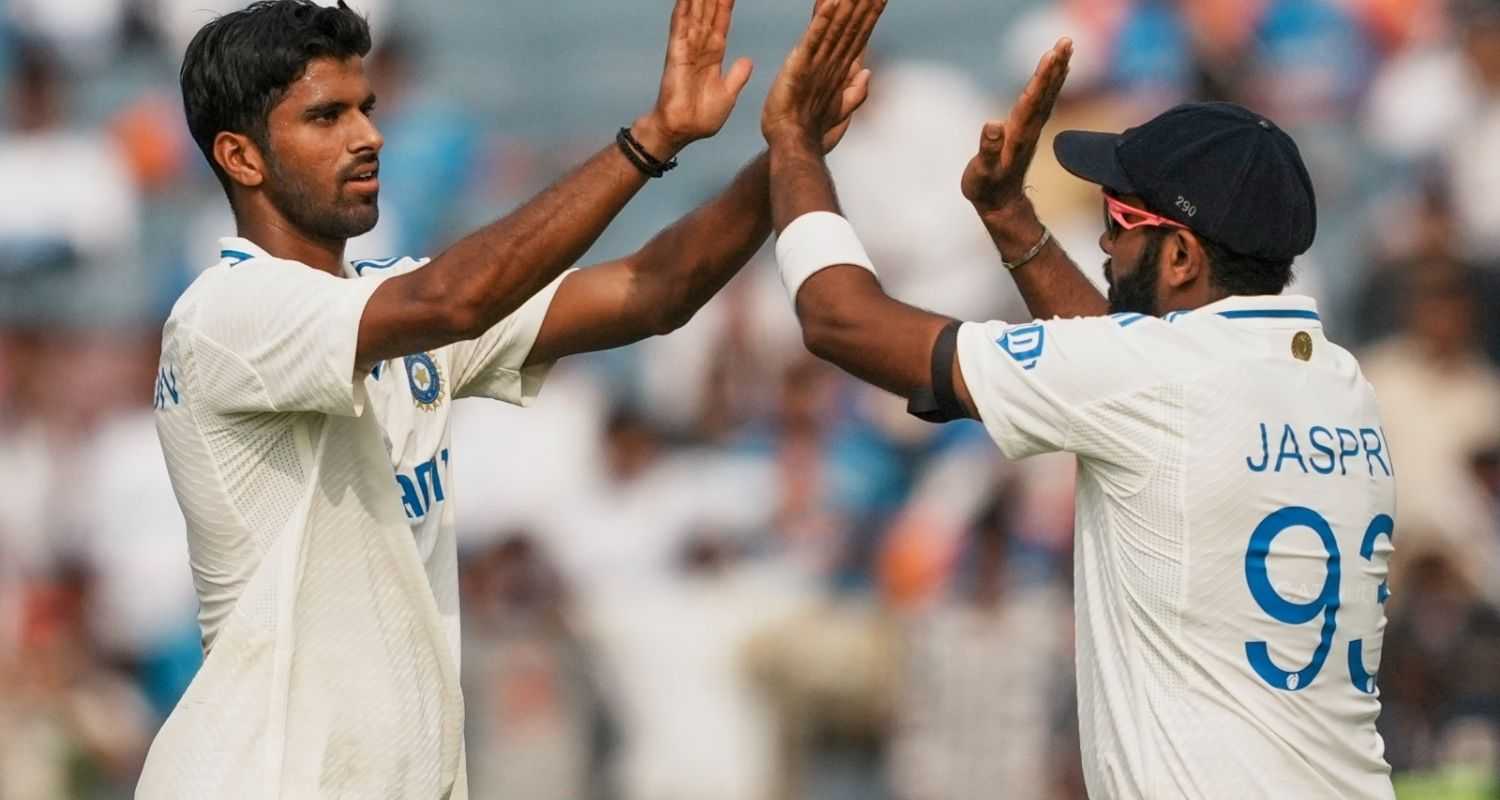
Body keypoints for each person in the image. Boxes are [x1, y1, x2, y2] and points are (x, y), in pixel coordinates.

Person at [140, 0, 873, 796]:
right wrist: (653, 138)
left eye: (367, 108)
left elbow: (653, 291)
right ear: (240, 158)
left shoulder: (385, 307)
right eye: (326, 116)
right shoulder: (225, 314)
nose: (368, 136)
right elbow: (455, 300)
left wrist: (787, 153)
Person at [760, 15, 1397, 798]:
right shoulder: (1342, 387)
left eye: (1121, 221)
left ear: (1183, 256)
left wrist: (793, 142)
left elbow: (838, 320)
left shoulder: (1156, 380)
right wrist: (1010, 218)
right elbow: (1122, 370)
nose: (1103, 244)